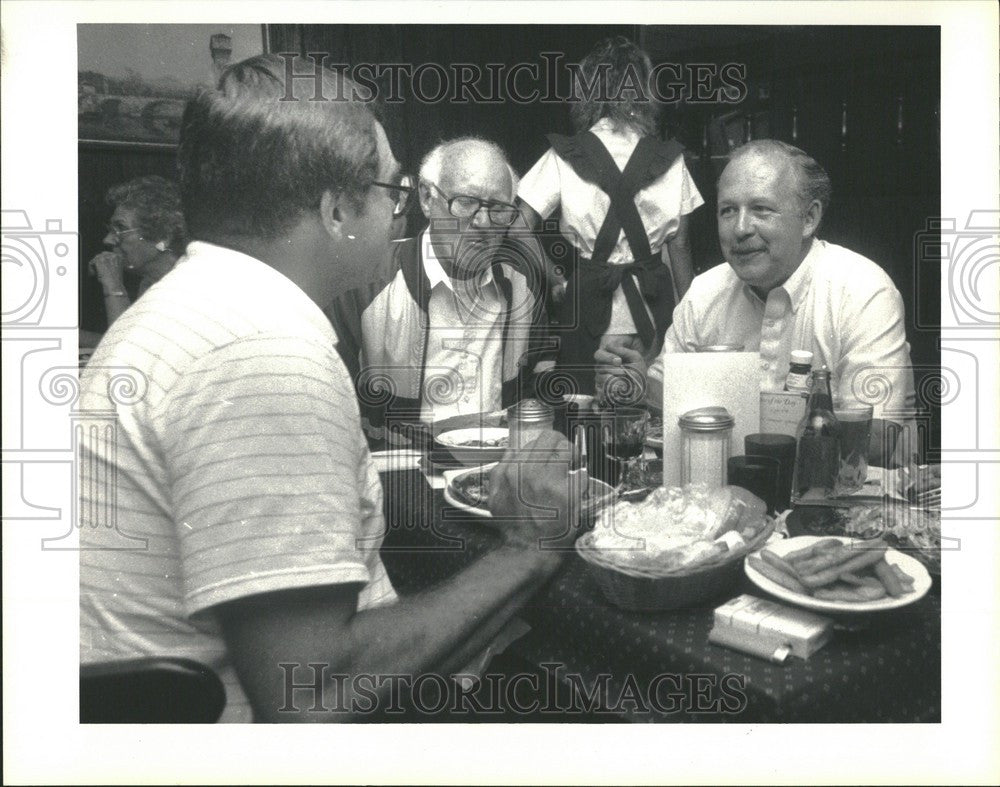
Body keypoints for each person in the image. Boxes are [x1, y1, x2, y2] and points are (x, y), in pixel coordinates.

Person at [79, 55, 580, 723]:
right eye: (393, 190)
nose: (402, 210)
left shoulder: (195, 305)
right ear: (339, 208)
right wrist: (532, 548)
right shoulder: (264, 351)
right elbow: (311, 693)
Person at [596, 139, 916, 464]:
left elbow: (878, 437)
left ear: (809, 218)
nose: (741, 228)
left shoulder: (862, 290)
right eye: (728, 210)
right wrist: (634, 383)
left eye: (761, 209)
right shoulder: (705, 291)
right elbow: (668, 387)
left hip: (848, 497)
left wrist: (741, 420)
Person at [327, 136, 549, 439]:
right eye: (466, 203)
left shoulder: (523, 289)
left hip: (496, 472)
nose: (483, 222)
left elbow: (538, 394)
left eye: (498, 208)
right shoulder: (364, 285)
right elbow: (334, 415)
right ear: (427, 199)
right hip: (402, 469)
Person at [517, 36, 704, 395]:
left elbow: (517, 226)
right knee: (654, 402)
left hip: (587, 302)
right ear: (645, 91)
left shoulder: (564, 155)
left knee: (581, 407)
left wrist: (556, 279)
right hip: (655, 302)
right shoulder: (670, 159)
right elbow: (680, 245)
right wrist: (690, 319)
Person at [80, 175, 186, 347]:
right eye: (111, 229)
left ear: (163, 237)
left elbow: (126, 352)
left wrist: (113, 286)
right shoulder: (150, 282)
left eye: (120, 229)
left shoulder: (182, 288)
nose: (107, 240)